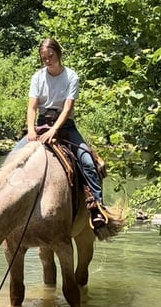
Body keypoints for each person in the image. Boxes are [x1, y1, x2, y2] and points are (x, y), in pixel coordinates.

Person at [13, 38, 108, 230]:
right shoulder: (37, 77)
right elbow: (32, 107)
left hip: (65, 126)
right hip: (41, 124)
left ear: (59, 54)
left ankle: (96, 206)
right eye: (44, 57)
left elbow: (67, 109)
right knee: (11, 158)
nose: (48, 60)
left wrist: (55, 130)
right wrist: (31, 130)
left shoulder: (71, 77)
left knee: (87, 161)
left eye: (51, 56)